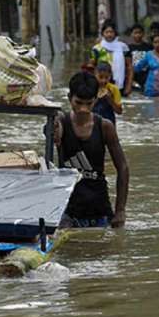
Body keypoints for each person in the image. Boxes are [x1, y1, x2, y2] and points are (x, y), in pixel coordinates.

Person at [53, 71, 128, 228]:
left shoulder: (105, 127)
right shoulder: (61, 121)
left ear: (95, 100)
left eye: (89, 103)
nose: (83, 109)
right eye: (78, 103)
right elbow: (52, 129)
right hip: (68, 210)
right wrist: (54, 132)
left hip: (99, 207)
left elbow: (122, 168)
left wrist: (120, 210)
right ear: (69, 98)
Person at [89, 20, 133, 96]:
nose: (109, 34)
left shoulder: (123, 48)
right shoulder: (96, 48)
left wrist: (129, 86)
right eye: (107, 32)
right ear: (103, 33)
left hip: (119, 84)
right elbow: (91, 67)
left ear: (115, 33)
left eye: (111, 32)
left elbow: (129, 67)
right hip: (101, 83)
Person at [127, 23, 153, 90]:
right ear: (131, 34)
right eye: (135, 33)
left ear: (143, 33)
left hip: (146, 75)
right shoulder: (128, 48)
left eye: (139, 33)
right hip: (133, 75)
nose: (137, 35)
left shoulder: (149, 47)